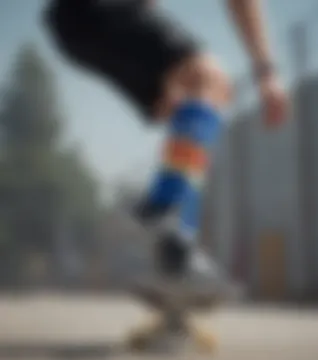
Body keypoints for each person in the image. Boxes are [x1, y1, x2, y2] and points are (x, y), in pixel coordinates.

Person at [43, 0, 288, 280]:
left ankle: (177, 244)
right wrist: (266, 71)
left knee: (183, 109)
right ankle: (166, 217)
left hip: (74, 26)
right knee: (209, 78)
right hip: (102, 9)